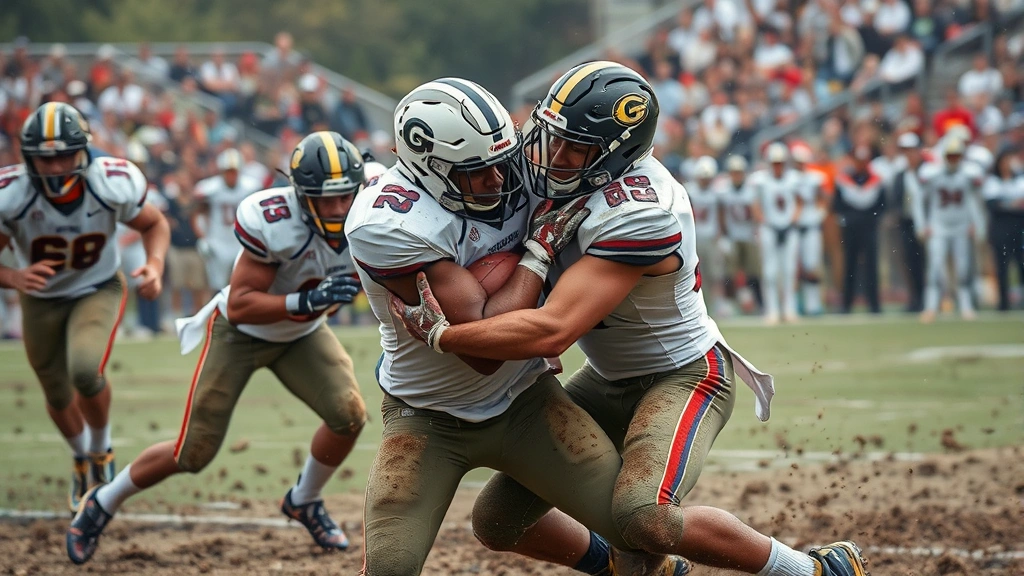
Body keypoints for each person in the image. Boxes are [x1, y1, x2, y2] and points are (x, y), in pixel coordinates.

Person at [390, 61, 869, 576]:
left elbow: (556, 328)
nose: (554, 156)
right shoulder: (558, 177)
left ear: (616, 156)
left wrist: (445, 336)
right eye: (552, 137)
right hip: (608, 376)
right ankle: (637, 570)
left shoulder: (641, 210)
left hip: (683, 374)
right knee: (498, 521)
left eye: (576, 148)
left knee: (647, 518)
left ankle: (815, 570)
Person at [347, 77, 684, 576]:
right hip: (426, 415)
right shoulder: (388, 224)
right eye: (477, 173)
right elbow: (484, 350)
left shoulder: (518, 168)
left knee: (637, 529)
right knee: (390, 568)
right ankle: (607, 564)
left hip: (526, 401)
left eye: (501, 164)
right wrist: (537, 252)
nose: (499, 181)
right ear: (430, 170)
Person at [66, 132, 374, 564]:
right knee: (192, 453)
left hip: (302, 333)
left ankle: (304, 499)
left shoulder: (375, 201)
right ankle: (101, 503)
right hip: (242, 334)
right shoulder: (274, 219)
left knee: (349, 417)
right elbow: (244, 305)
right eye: (326, 200)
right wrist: (308, 300)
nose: (339, 209)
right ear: (301, 196)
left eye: (346, 196)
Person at [0, 102, 170, 511]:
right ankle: (80, 457)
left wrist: (155, 264)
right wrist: (13, 277)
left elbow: (154, 223)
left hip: (97, 286)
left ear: (83, 151)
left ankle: (101, 448)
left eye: (64, 154)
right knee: (55, 392)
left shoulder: (110, 181)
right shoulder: (14, 195)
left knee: (84, 369)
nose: (56, 166)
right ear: (29, 158)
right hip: (40, 298)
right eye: (46, 157)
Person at [916, 136, 986, 322]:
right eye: (950, 156)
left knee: (963, 268)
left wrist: (978, 225)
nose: (953, 160)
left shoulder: (969, 175)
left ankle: (966, 306)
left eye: (957, 156)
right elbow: (918, 200)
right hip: (939, 225)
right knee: (935, 267)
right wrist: (922, 224)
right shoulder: (932, 174)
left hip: (961, 226)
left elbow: (975, 203)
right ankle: (931, 307)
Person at [191, 148, 262, 290]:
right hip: (218, 241)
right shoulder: (210, 189)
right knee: (217, 286)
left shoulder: (251, 187)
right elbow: (196, 214)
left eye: (234, 171)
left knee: (243, 283)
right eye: (228, 171)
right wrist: (203, 238)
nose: (231, 176)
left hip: (241, 242)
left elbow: (259, 216)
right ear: (221, 171)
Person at [750, 143, 803, 324]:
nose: (777, 166)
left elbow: (799, 201)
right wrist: (764, 222)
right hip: (769, 228)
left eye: (780, 162)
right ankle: (772, 310)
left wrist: (793, 220)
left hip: (789, 228)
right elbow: (756, 204)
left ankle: (789, 309)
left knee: (789, 270)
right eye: (774, 162)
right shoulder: (761, 180)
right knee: (770, 271)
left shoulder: (793, 179)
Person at [833, 145, 885, 314]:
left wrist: (874, 220)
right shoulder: (845, 180)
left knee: (871, 266)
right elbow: (837, 205)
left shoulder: (876, 180)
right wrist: (847, 219)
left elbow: (882, 205)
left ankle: (874, 305)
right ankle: (846, 304)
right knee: (850, 266)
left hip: (869, 228)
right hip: (851, 229)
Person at [718, 155, 762, 314]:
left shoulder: (750, 190)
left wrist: (758, 232)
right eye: (734, 172)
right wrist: (723, 235)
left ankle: (758, 303)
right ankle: (730, 304)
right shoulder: (724, 190)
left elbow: (756, 213)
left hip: (749, 235)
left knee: (754, 272)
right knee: (730, 273)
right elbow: (721, 214)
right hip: (733, 236)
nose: (736, 175)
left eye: (739, 172)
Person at [983, 149, 1024, 311]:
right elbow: (993, 206)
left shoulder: (1020, 180)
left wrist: (1007, 205)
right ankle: (1003, 302)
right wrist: (1012, 205)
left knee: (1021, 264)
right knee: (1002, 265)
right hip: (1000, 229)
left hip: (1019, 228)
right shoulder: (993, 181)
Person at [890, 133, 927, 313]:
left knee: (930, 262)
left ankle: (932, 299)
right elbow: (896, 200)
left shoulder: (927, 172)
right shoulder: (901, 175)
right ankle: (916, 299)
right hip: (907, 223)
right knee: (911, 262)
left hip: (929, 224)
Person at [790, 143, 828, 316]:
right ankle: (796, 303)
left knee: (811, 266)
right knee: (793, 268)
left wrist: (820, 214)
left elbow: (824, 199)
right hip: (793, 227)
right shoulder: (788, 178)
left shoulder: (815, 177)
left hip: (811, 225)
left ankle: (813, 303)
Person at [685, 156, 725, 316]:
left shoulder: (717, 193)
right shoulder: (690, 191)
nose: (705, 181)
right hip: (695, 238)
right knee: (697, 275)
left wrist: (721, 234)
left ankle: (718, 306)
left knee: (716, 274)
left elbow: (721, 215)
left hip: (711, 237)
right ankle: (700, 307)